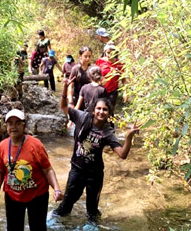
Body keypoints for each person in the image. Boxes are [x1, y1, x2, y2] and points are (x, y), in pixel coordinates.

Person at [54, 80, 140, 221]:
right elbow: (63, 106)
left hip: (95, 175)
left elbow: (122, 154)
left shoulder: (108, 131)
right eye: (99, 108)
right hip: (77, 169)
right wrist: (64, 88)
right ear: (94, 109)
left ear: (109, 113)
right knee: (66, 204)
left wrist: (129, 137)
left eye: (105, 110)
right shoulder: (82, 117)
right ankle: (56, 224)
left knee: (92, 211)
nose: (101, 112)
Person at [0, 109, 63, 231]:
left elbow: (48, 170)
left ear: (24, 125)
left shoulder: (35, 145)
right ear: (6, 126)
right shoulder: (3, 146)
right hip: (12, 195)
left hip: (37, 195)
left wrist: (57, 189)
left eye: (18, 123)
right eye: (10, 123)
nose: (14, 127)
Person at [95, 43, 127, 111]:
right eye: (108, 52)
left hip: (113, 91)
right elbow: (94, 75)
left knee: (109, 110)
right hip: (101, 90)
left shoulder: (119, 64)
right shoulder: (100, 61)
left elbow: (123, 78)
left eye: (112, 53)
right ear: (105, 52)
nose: (109, 55)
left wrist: (125, 92)